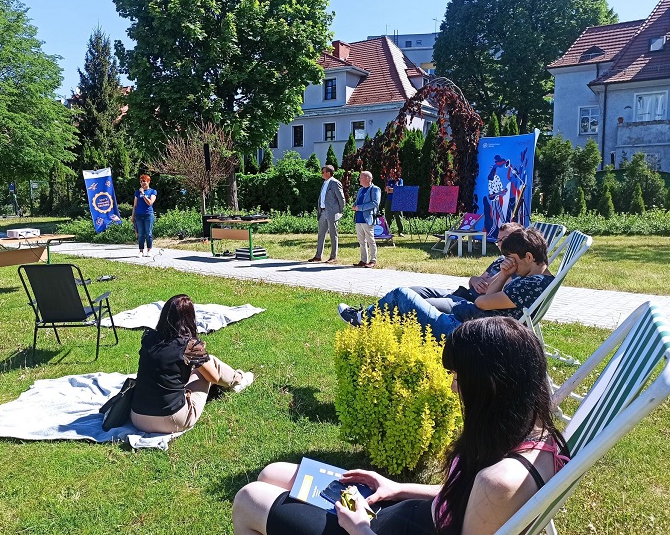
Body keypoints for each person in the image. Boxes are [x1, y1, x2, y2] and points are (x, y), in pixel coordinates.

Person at [232, 317, 569, 535]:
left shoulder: (499, 484)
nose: (454, 387)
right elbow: (470, 502)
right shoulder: (534, 433)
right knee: (274, 473)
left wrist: (360, 527)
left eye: (458, 377)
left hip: (380, 530)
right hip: (415, 516)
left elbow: (484, 499)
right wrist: (397, 487)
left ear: (490, 385)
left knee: (250, 497)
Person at [338, 227, 554, 339]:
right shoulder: (535, 279)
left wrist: (505, 276)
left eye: (514, 261)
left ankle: (362, 319)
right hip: (474, 325)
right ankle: (366, 320)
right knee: (406, 298)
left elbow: (482, 303)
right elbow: (485, 299)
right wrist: (506, 275)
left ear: (528, 257)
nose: (510, 265)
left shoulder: (531, 284)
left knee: (401, 295)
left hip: (471, 335)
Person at [129, 294, 254, 434]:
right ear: (190, 318)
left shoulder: (149, 338)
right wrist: (202, 354)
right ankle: (238, 379)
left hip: (137, 418)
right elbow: (213, 377)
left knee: (196, 368)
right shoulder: (189, 346)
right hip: (173, 420)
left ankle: (236, 379)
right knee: (210, 362)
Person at [408, 222, 524, 313]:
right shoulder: (500, 260)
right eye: (499, 240)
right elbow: (475, 281)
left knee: (419, 304)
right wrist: (474, 279)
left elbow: (488, 289)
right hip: (463, 293)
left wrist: (482, 283)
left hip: (470, 303)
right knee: (410, 291)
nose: (500, 243)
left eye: (505, 239)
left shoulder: (518, 267)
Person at [308, 165, 346, 263]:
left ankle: (333, 257)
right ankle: (318, 256)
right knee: (321, 234)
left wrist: (339, 212)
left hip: (332, 213)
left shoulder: (335, 183)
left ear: (328, 173)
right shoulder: (325, 183)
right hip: (323, 212)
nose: (321, 174)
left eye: (323, 172)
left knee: (333, 235)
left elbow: (341, 199)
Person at [352, 171, 382, 268]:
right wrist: (354, 206)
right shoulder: (361, 190)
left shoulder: (375, 189)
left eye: (361, 177)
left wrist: (360, 208)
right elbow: (357, 201)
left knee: (370, 240)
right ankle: (363, 260)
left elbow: (375, 203)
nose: (359, 179)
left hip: (368, 218)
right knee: (361, 241)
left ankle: (373, 260)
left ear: (368, 178)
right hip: (359, 218)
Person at [132, 174, 157, 257]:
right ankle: (141, 251)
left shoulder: (152, 191)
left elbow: (150, 203)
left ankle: (149, 250)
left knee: (148, 233)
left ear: (148, 182)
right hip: (139, 215)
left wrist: (143, 194)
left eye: (144, 181)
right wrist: (133, 216)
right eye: (141, 181)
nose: (142, 183)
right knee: (140, 234)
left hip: (148, 215)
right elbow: (135, 205)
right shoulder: (137, 192)